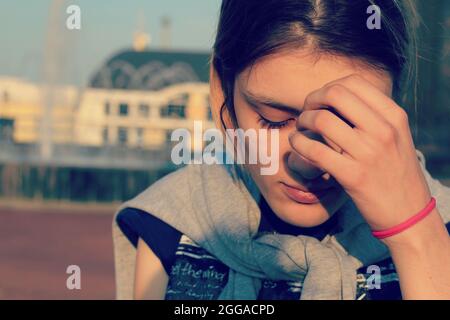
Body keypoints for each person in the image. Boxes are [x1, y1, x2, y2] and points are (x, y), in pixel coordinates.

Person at [113, 0, 450, 300]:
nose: (307, 161)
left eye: (346, 125)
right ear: (222, 94)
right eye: (274, 121)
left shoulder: (441, 228)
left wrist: (416, 235)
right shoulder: (174, 226)